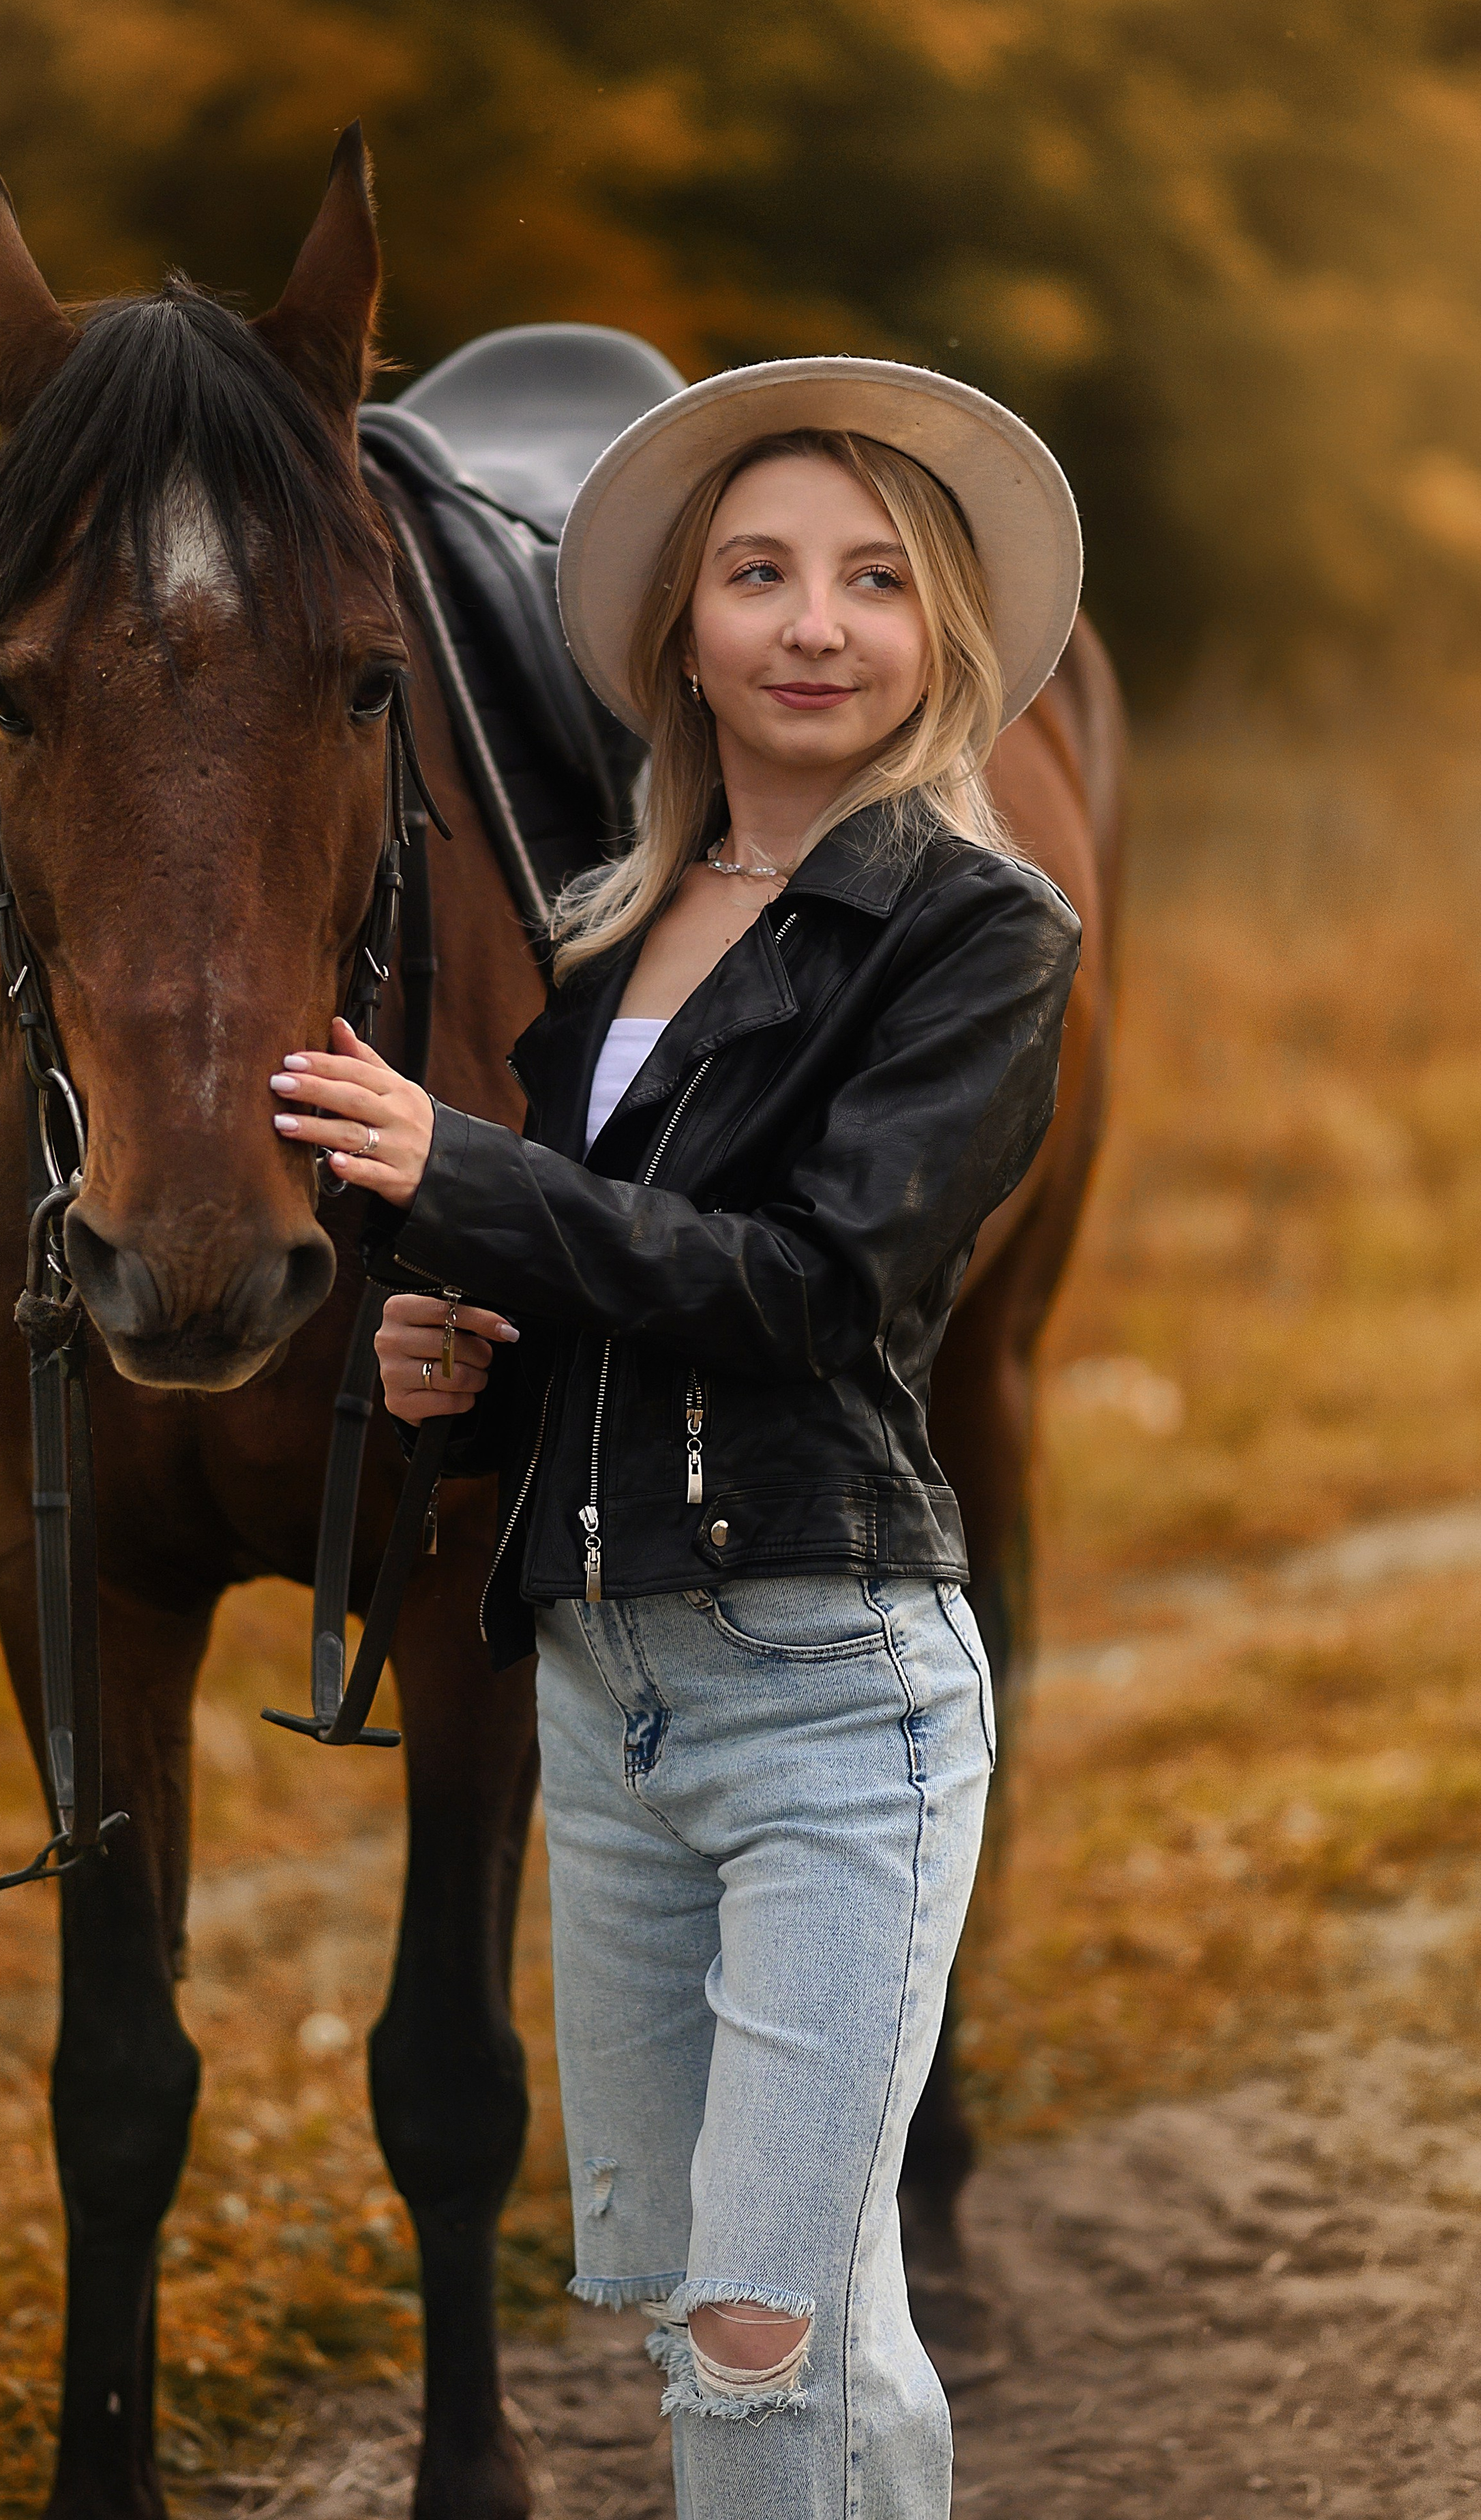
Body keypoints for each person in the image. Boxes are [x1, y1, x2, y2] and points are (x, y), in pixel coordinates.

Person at [267, 357, 1083, 2519]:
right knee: (766, 2315)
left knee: (757, 2333)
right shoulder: (613, 933)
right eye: (760, 573)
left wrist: (457, 1171)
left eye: (875, 579)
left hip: (830, 1687)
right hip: (608, 1697)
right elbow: (625, 1298)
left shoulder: (979, 931)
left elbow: (815, 1291)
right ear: (684, 632)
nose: (816, 623)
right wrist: (471, 1359)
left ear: (941, 634)